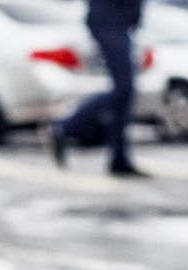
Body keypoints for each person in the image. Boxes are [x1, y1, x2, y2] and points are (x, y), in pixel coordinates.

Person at [46, 0, 147, 177]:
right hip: (110, 22)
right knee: (124, 89)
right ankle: (64, 127)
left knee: (123, 93)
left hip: (117, 22)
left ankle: (119, 158)